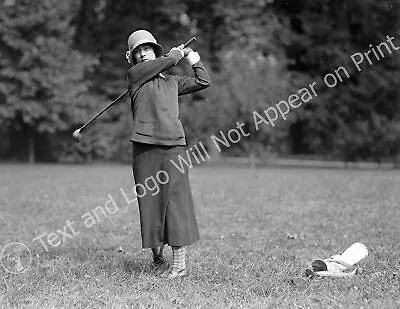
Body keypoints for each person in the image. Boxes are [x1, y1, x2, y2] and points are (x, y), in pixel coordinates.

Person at [125, 30, 211, 278]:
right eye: (138, 51)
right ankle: (157, 256)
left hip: (174, 147)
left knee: (175, 204)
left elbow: (203, 81)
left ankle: (179, 265)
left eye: (147, 48)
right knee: (150, 203)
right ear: (132, 58)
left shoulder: (172, 81)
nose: (143, 54)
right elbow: (168, 60)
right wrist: (175, 55)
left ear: (155, 50)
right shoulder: (135, 76)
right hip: (144, 147)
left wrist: (192, 58)